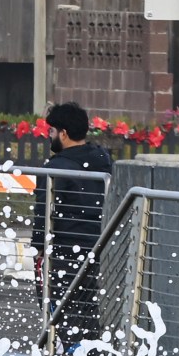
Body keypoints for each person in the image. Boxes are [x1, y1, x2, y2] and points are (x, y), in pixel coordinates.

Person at [36, 100, 114, 324]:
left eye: (51, 131)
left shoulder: (56, 168)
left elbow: (44, 210)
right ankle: (87, 354)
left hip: (63, 251)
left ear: (64, 134)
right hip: (96, 247)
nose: (49, 136)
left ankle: (65, 354)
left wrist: (38, 247)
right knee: (86, 310)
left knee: (57, 310)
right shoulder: (103, 161)